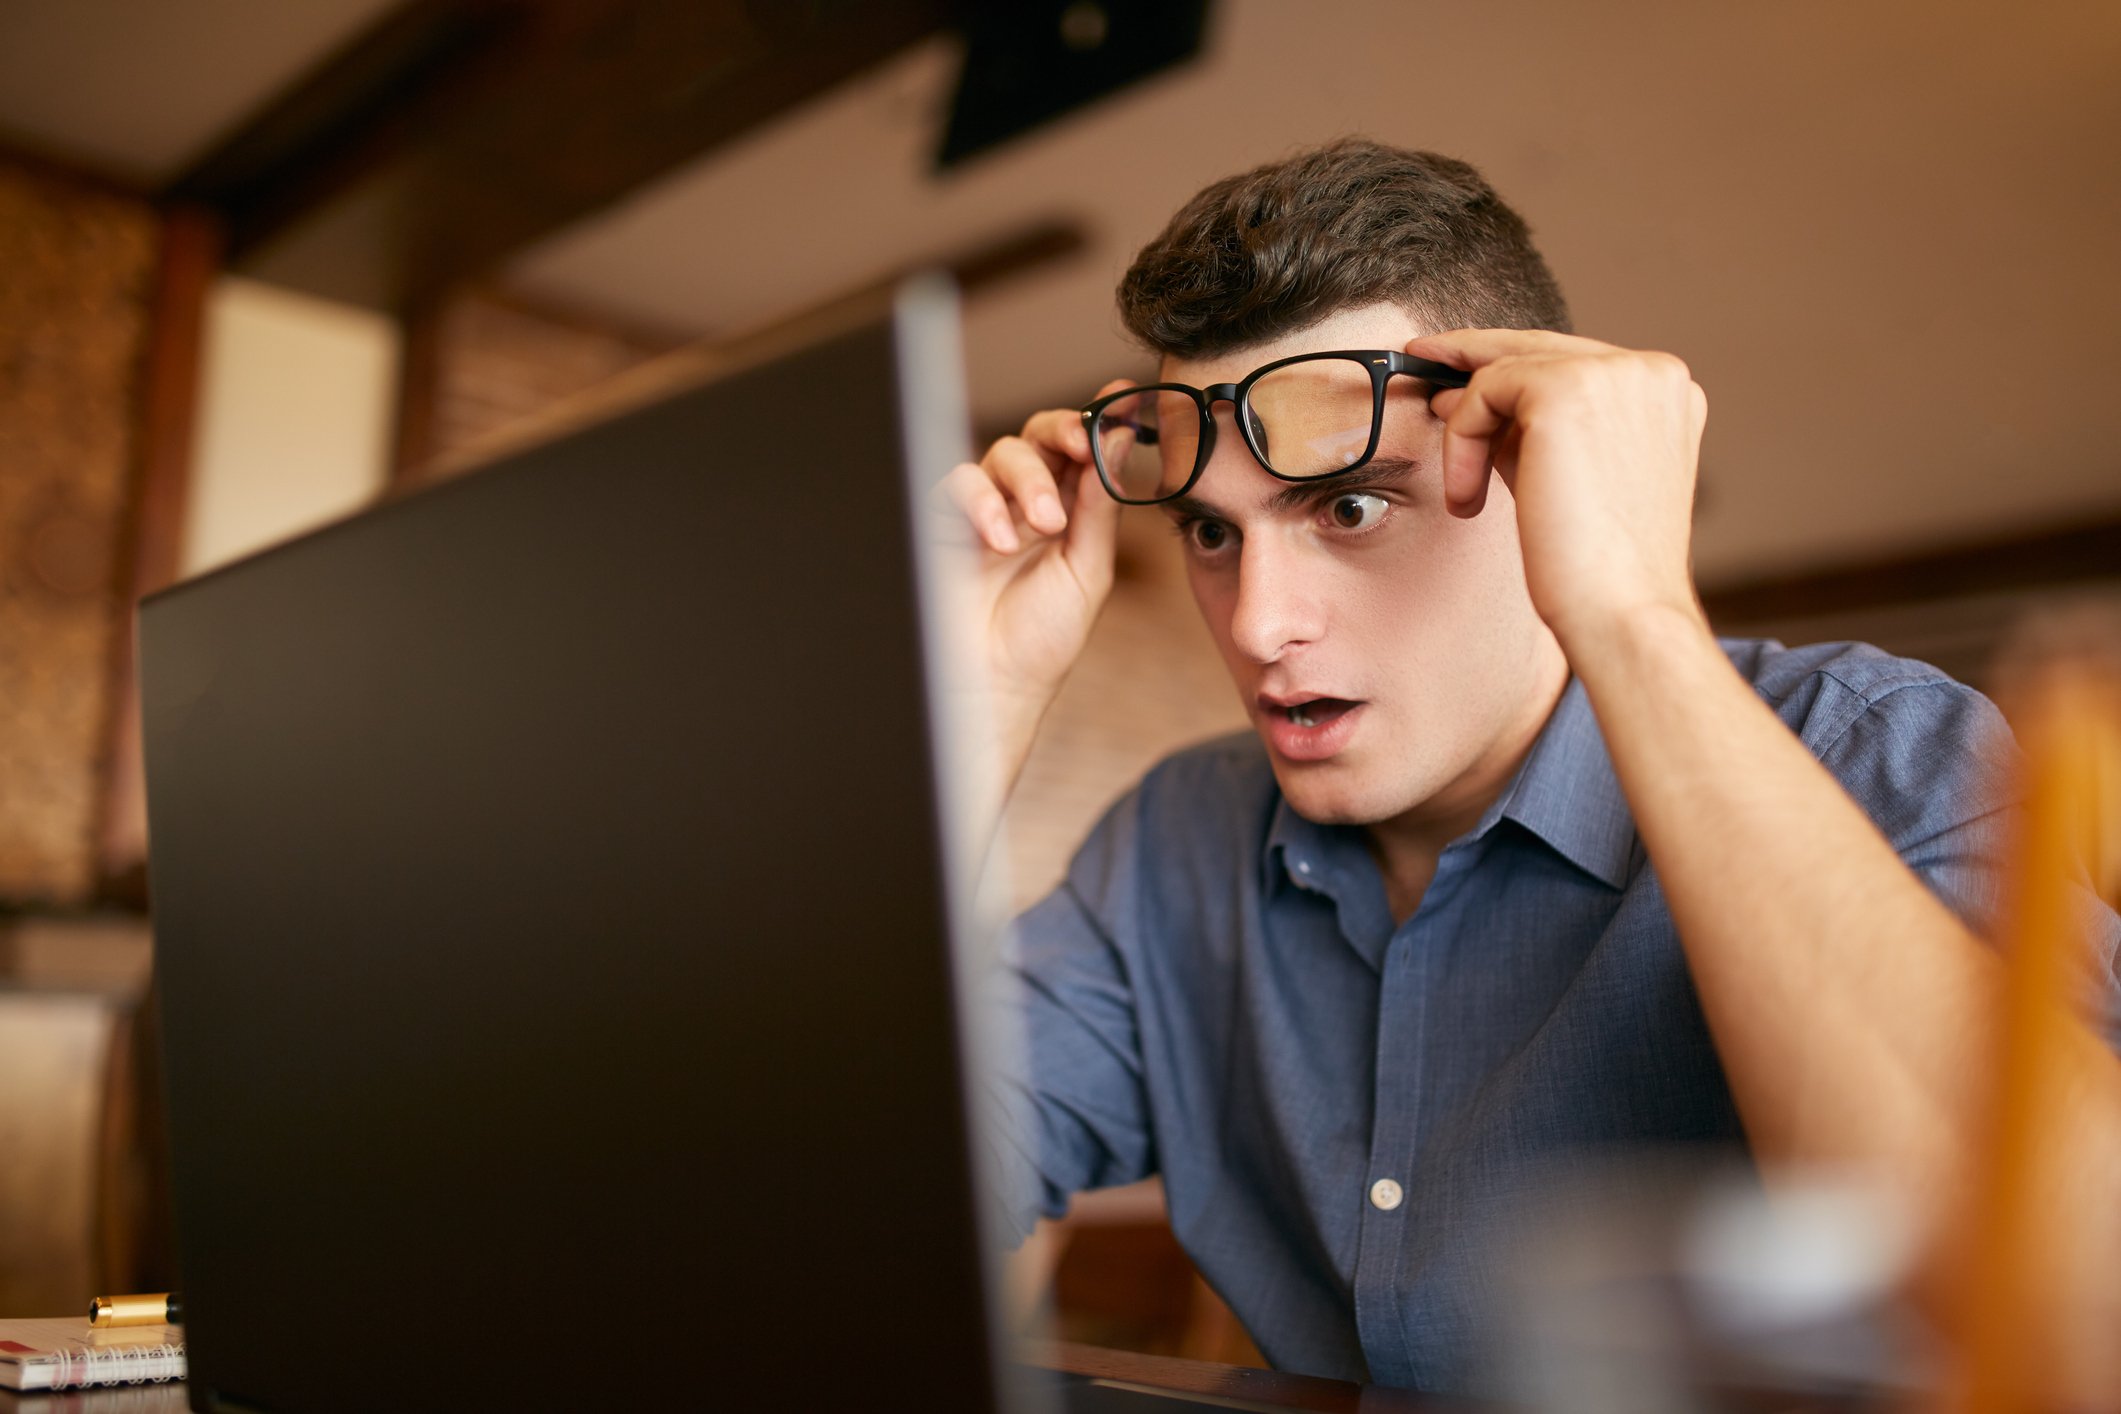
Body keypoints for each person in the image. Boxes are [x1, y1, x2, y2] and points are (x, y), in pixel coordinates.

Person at [937, 139, 2121, 1394]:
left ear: (1532, 465)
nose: (1256, 622)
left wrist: (1633, 615)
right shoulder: (1174, 840)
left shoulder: (1880, 748)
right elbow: (843, 1211)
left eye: (1349, 506)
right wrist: (979, 699)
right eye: (1212, 533)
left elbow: (2079, 1325)